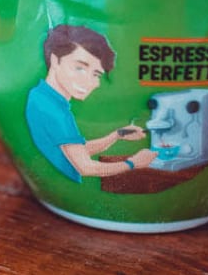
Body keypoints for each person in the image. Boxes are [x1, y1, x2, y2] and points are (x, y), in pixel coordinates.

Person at [25, 24, 158, 182]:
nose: (90, 81)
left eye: (96, 74)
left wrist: (116, 136)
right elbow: (86, 168)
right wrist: (133, 163)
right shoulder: (54, 111)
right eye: (80, 68)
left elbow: (74, 151)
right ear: (55, 60)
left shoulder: (40, 96)